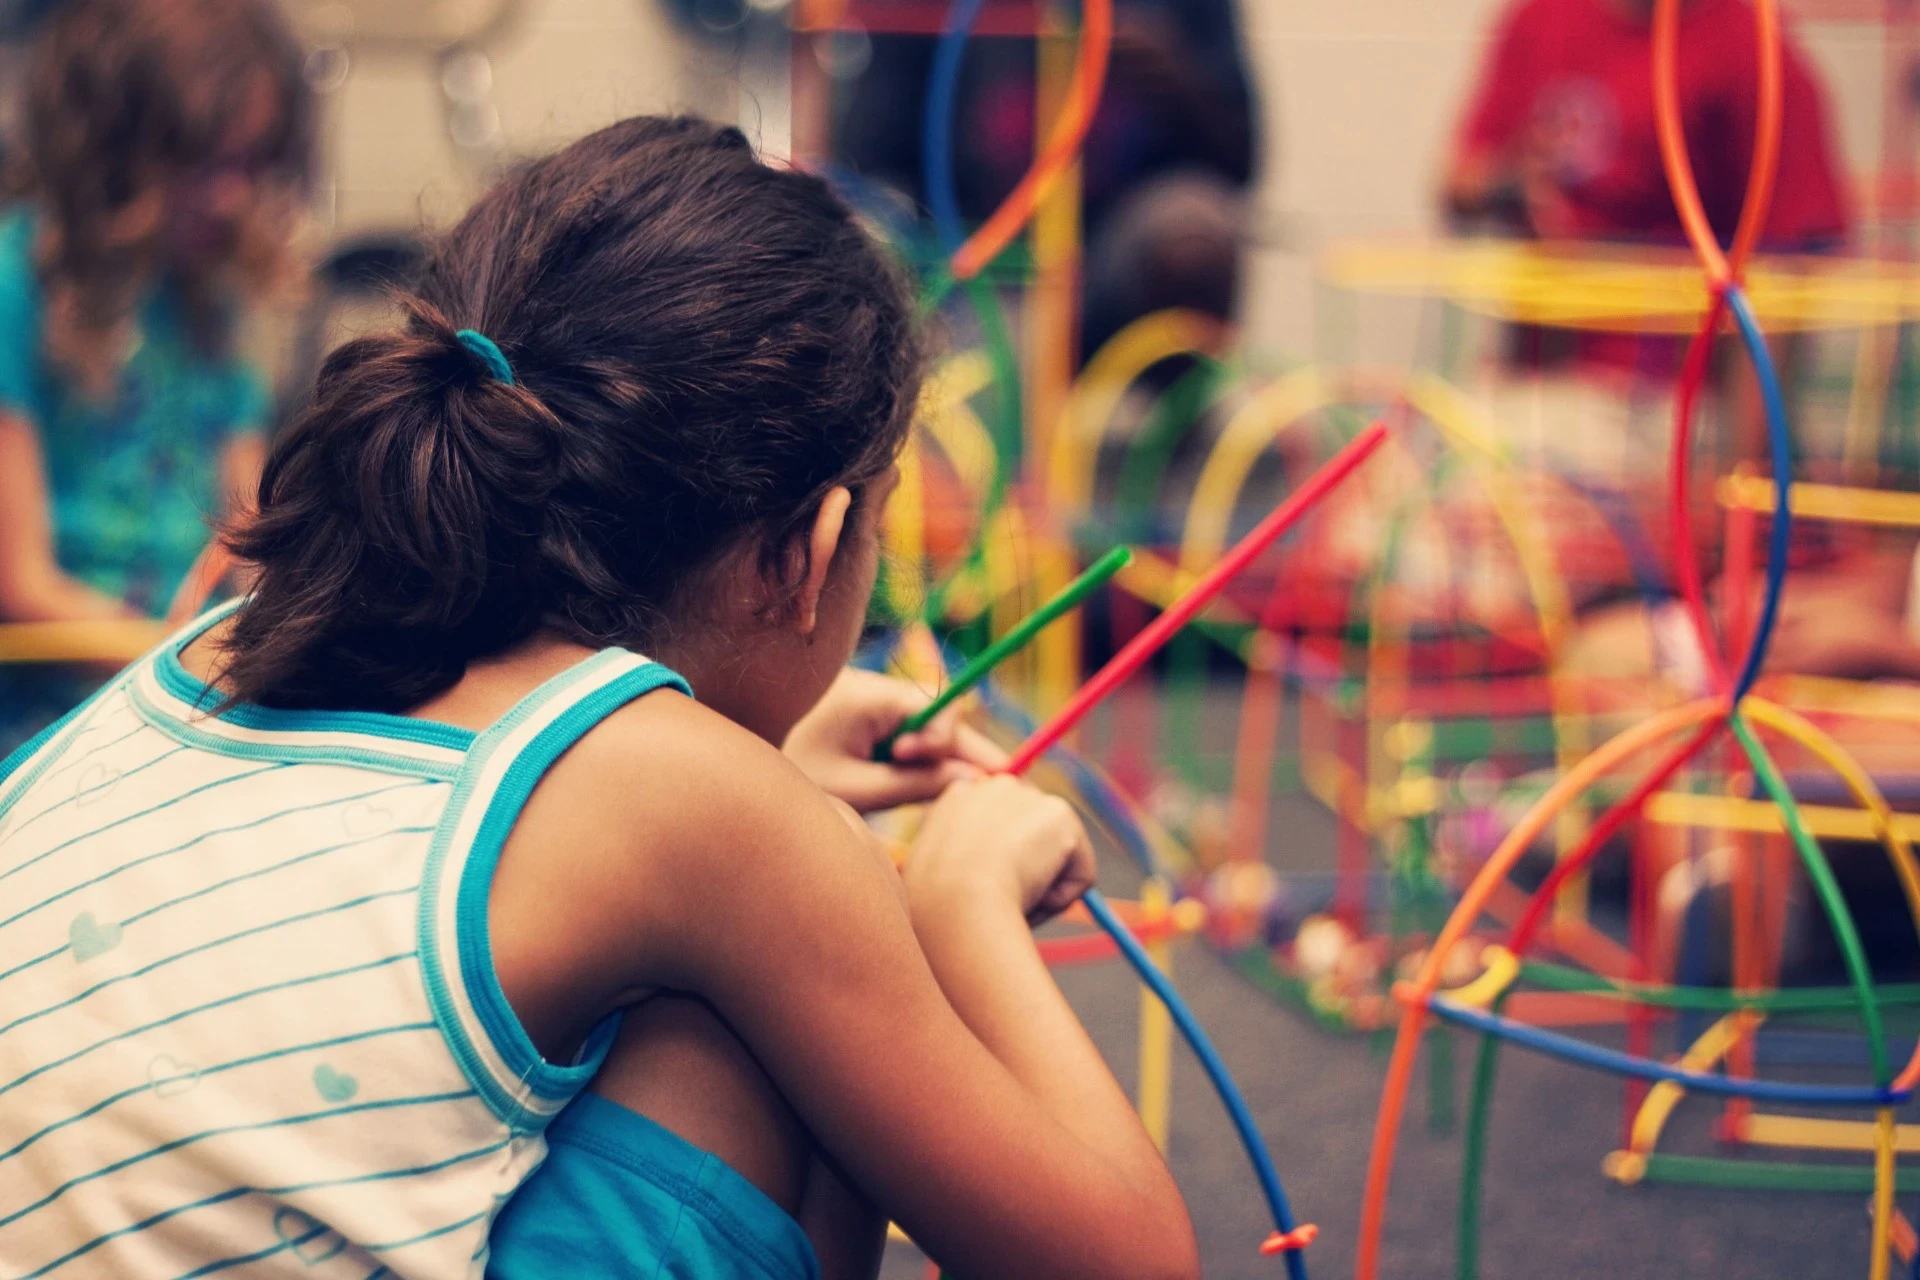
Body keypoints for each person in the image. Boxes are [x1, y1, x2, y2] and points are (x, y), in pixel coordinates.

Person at [0, 115, 1199, 1280]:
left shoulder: (238, 632)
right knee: (755, 1022)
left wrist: (765, 773)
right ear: (811, 549)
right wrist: (959, 900)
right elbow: (1131, 1263)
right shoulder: (712, 816)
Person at [0, 0, 311, 747]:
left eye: (253, 163)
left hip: (180, 687)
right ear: (115, 148)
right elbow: (20, 583)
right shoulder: (16, 287)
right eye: (205, 162)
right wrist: (195, 668)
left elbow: (246, 539)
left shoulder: (216, 306)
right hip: (49, 715)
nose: (233, 196)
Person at [1442, 0, 1850, 377]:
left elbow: (1788, 269)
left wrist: (1743, 455)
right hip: (1536, 373)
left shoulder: (1750, 48)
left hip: (1666, 393)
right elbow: (1459, 184)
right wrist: (1510, 187)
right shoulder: (1543, 17)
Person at [837, 0, 1257, 359]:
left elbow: (1243, 160)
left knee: (1192, 233)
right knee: (856, 227)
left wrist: (1172, 78)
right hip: (966, 262)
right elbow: (866, 158)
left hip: (1112, 263)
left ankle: (1167, 436)